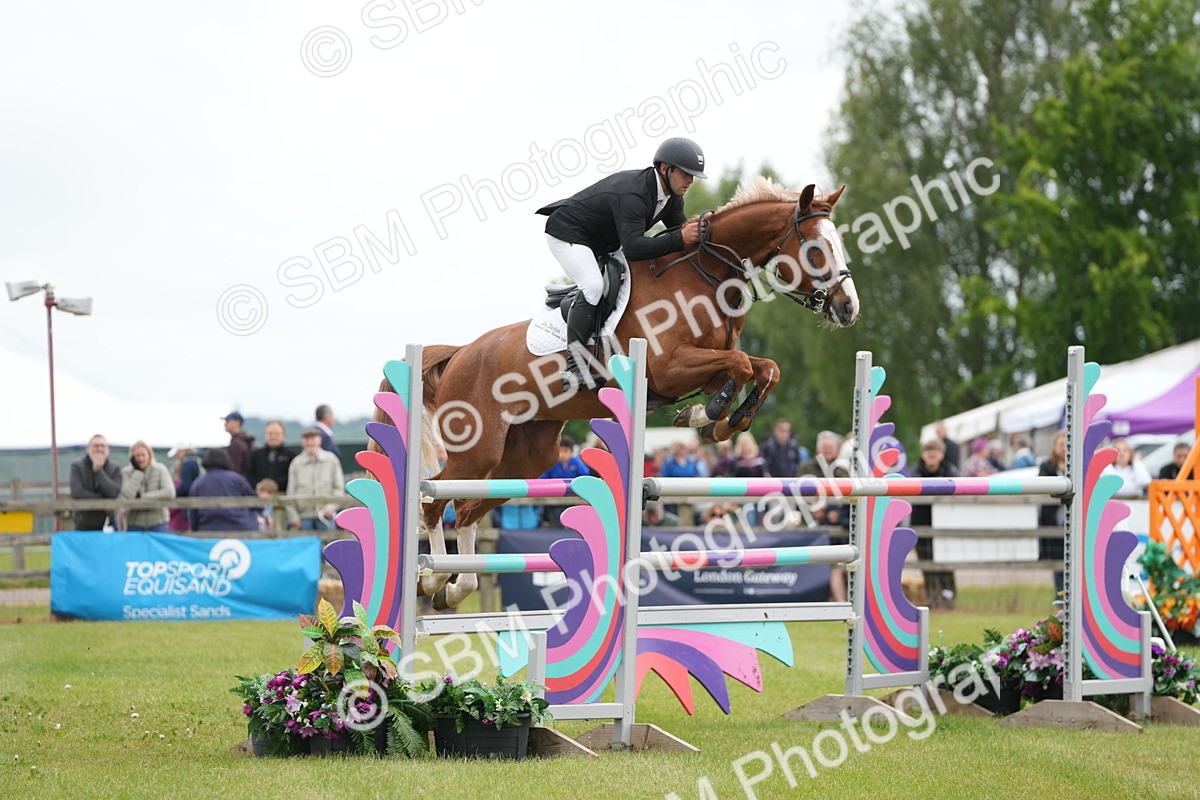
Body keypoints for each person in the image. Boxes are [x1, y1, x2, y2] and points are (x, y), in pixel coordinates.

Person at [536, 137, 707, 388]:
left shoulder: (671, 197)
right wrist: (680, 238)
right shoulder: (635, 193)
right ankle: (574, 367)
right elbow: (636, 247)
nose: (690, 181)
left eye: (693, 176)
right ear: (664, 169)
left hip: (603, 240)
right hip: (568, 233)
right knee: (593, 286)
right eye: (685, 174)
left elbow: (680, 231)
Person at [909, 438, 960, 609]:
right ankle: (933, 598)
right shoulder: (915, 473)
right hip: (922, 524)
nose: (932, 454)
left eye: (936, 451)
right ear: (922, 455)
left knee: (946, 564)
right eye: (928, 451)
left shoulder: (951, 471)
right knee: (927, 564)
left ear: (942, 454)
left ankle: (949, 597)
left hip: (945, 525)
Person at [286, 428, 346, 531]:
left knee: (329, 545)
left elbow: (339, 488)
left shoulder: (332, 460)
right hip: (304, 517)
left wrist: (331, 507)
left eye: (313, 439)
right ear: (302, 442)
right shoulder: (295, 464)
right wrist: (294, 518)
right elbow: (290, 493)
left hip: (326, 516)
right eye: (306, 439)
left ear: (320, 441)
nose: (310, 442)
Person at [188, 448, 258, 531]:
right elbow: (256, 502)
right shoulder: (237, 479)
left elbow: (192, 512)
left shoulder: (198, 483)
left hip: (208, 528)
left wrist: (195, 529)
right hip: (239, 527)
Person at [118, 441, 176, 532]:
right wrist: (138, 472)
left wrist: (143, 497)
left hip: (158, 523)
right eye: (137, 456)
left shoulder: (160, 469)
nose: (140, 458)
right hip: (135, 523)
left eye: (143, 455)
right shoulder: (126, 472)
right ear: (132, 457)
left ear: (149, 455)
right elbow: (128, 495)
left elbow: (169, 492)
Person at [69, 434, 123, 531]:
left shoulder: (115, 467)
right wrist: (103, 500)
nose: (99, 449)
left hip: (108, 521)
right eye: (96, 446)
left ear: (108, 450)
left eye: (103, 446)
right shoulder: (77, 466)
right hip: (84, 521)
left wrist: (98, 471)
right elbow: (77, 492)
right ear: (87, 449)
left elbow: (114, 492)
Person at [1037, 431, 1068, 595]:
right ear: (1054, 448)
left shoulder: (1076, 465)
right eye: (1061, 445)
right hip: (1053, 519)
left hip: (1071, 518)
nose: (1064, 449)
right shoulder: (1046, 466)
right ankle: (1060, 599)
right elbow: (1043, 489)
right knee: (1058, 562)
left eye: (1066, 445)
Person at [539, 436, 589, 528]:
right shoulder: (552, 463)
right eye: (560, 451)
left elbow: (585, 474)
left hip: (573, 499)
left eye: (565, 451)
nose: (562, 454)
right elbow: (543, 478)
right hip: (555, 499)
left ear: (571, 452)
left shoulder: (576, 462)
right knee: (557, 522)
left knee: (573, 522)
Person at [244, 420, 296, 492]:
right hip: (258, 497)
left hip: (282, 496)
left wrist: (275, 486)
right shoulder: (255, 454)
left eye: (277, 434)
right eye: (270, 433)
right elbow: (248, 475)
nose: (273, 437)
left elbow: (292, 476)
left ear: (283, 435)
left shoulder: (291, 455)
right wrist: (260, 486)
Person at [167, 442, 202, 532]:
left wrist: (172, 492)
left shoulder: (188, 463)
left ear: (183, 451)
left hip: (187, 507)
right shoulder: (196, 461)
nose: (176, 456)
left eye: (177, 453)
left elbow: (186, 487)